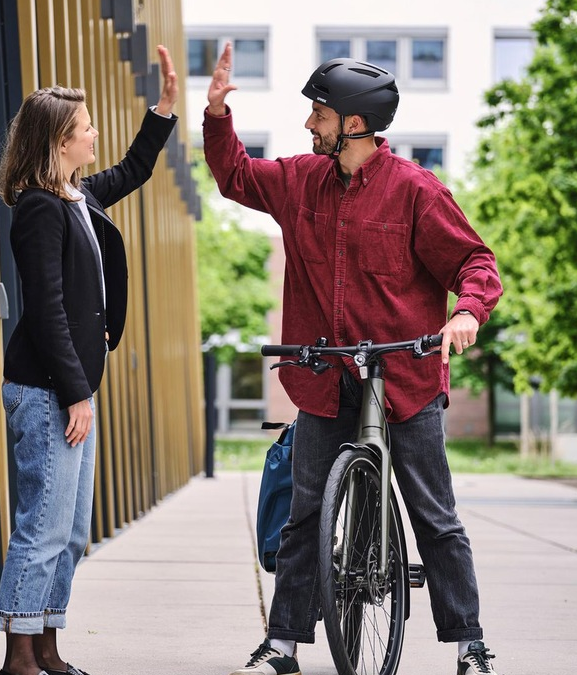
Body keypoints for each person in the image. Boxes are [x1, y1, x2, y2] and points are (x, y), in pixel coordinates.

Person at [203, 44, 504, 675]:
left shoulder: (416, 191)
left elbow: (474, 262)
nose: (308, 124)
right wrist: (218, 116)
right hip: (324, 376)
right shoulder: (299, 181)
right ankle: (281, 645)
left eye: (319, 115)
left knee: (435, 518)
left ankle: (469, 646)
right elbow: (236, 177)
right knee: (306, 517)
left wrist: (467, 313)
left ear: (354, 124)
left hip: (406, 379)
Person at [0, 45, 179, 675]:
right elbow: (45, 310)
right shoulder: (39, 209)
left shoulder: (76, 196)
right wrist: (76, 393)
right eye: (86, 127)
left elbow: (133, 169)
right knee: (42, 528)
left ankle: (47, 645)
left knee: (70, 532)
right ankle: (19, 656)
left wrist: (164, 110)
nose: (95, 134)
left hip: (70, 388)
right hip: (48, 390)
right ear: (59, 141)